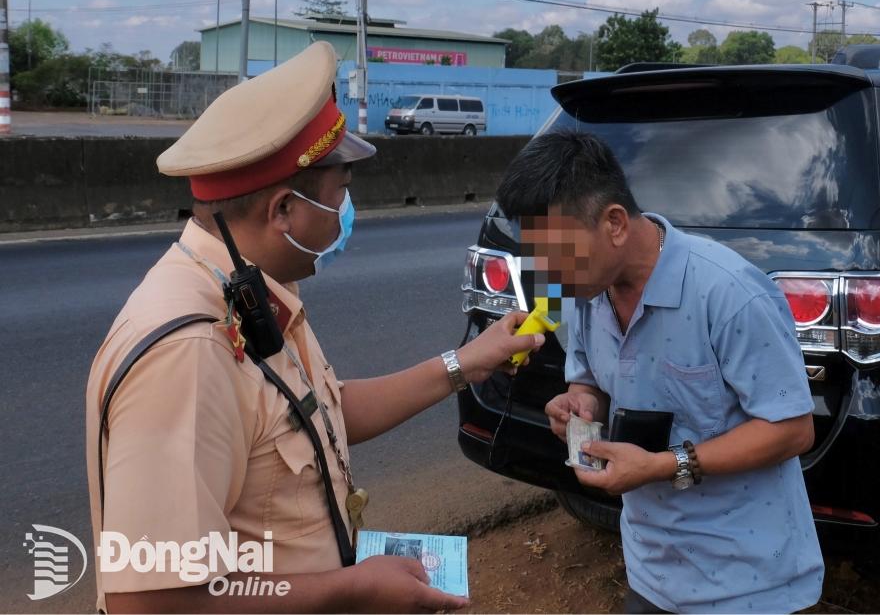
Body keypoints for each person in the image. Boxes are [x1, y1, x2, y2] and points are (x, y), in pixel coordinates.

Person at [85, 42, 543, 614]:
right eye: (342, 191)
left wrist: (468, 362)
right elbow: (150, 602)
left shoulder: (253, 286)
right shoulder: (188, 352)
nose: (348, 208)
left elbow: (322, 413)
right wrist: (352, 589)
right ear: (283, 211)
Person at [495, 131, 824, 614]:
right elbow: (588, 378)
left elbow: (793, 430)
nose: (551, 274)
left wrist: (663, 466)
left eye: (559, 256)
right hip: (652, 570)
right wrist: (581, 403)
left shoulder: (730, 294)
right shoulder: (589, 291)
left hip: (749, 584)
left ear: (614, 223)